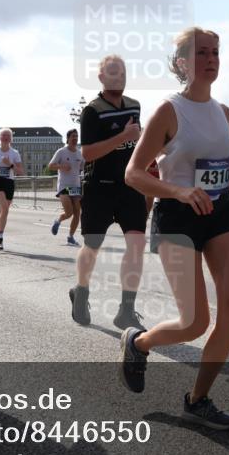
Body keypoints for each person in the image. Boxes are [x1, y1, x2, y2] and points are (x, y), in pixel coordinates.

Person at [120, 27, 229, 430]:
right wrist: (179, 191)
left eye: (216, 52)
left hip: (221, 213)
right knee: (194, 323)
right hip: (177, 218)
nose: (211, 59)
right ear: (183, 62)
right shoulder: (168, 111)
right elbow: (133, 174)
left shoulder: (223, 113)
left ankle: (198, 399)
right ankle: (139, 342)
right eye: (202, 52)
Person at [69, 54, 146, 330]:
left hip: (130, 187)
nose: (119, 78)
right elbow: (88, 153)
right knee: (92, 246)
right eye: (113, 74)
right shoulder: (92, 111)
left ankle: (126, 310)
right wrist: (123, 138)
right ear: (101, 78)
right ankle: (81, 291)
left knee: (137, 245)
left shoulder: (135, 106)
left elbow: (138, 143)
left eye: (123, 74)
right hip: (99, 187)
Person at [48, 128, 84, 247]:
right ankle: (58, 221)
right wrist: (62, 166)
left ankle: (70, 237)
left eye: (76, 136)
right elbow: (50, 166)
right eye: (73, 136)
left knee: (77, 213)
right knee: (69, 213)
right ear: (67, 138)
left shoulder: (79, 153)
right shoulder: (61, 152)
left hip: (76, 186)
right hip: (64, 186)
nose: (75, 138)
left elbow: (84, 166)